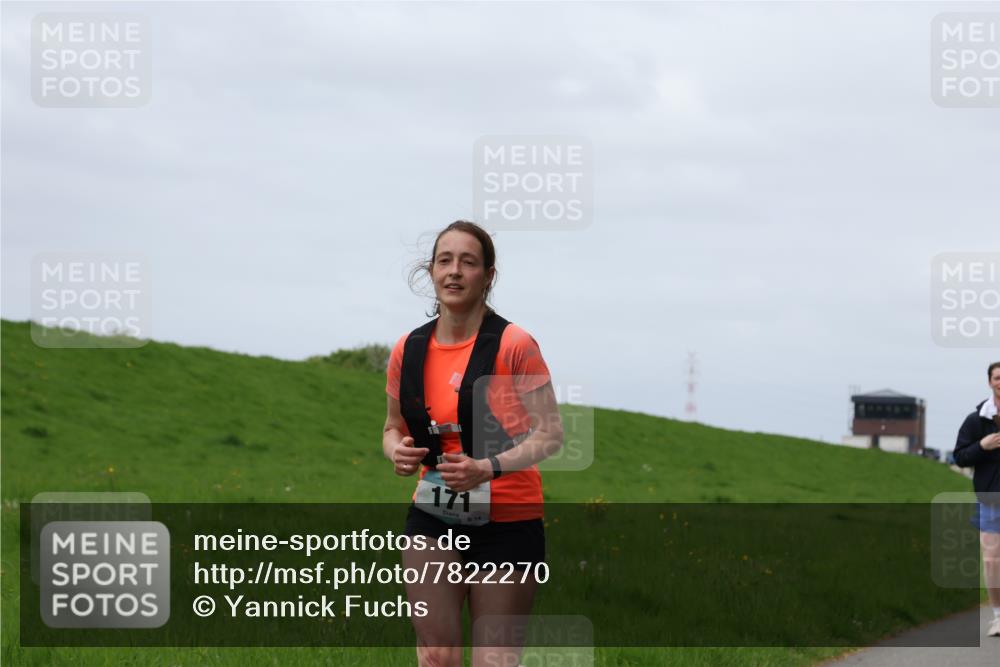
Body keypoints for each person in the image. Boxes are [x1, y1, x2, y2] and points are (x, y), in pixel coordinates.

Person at [382, 220, 564, 666]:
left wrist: (487, 467)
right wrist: (397, 452)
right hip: (433, 516)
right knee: (435, 655)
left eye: (468, 262)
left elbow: (550, 434)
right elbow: (392, 428)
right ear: (431, 271)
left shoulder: (514, 344)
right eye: (445, 261)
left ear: (488, 275)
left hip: (509, 520)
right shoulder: (409, 348)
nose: (455, 271)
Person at [953, 361, 1000, 638]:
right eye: (997, 377)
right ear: (990, 382)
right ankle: (998, 616)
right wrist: (982, 446)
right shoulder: (976, 420)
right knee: (992, 560)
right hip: (991, 498)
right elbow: (959, 456)